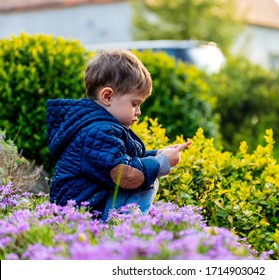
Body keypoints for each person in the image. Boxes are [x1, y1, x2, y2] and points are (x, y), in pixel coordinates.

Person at [46, 48, 191, 222]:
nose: (138, 112)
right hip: (82, 214)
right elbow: (123, 174)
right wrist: (161, 163)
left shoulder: (100, 126)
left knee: (147, 172)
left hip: (91, 203)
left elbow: (126, 157)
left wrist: (158, 154)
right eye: (134, 103)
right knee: (144, 180)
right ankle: (126, 227)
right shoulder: (97, 132)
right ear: (107, 96)